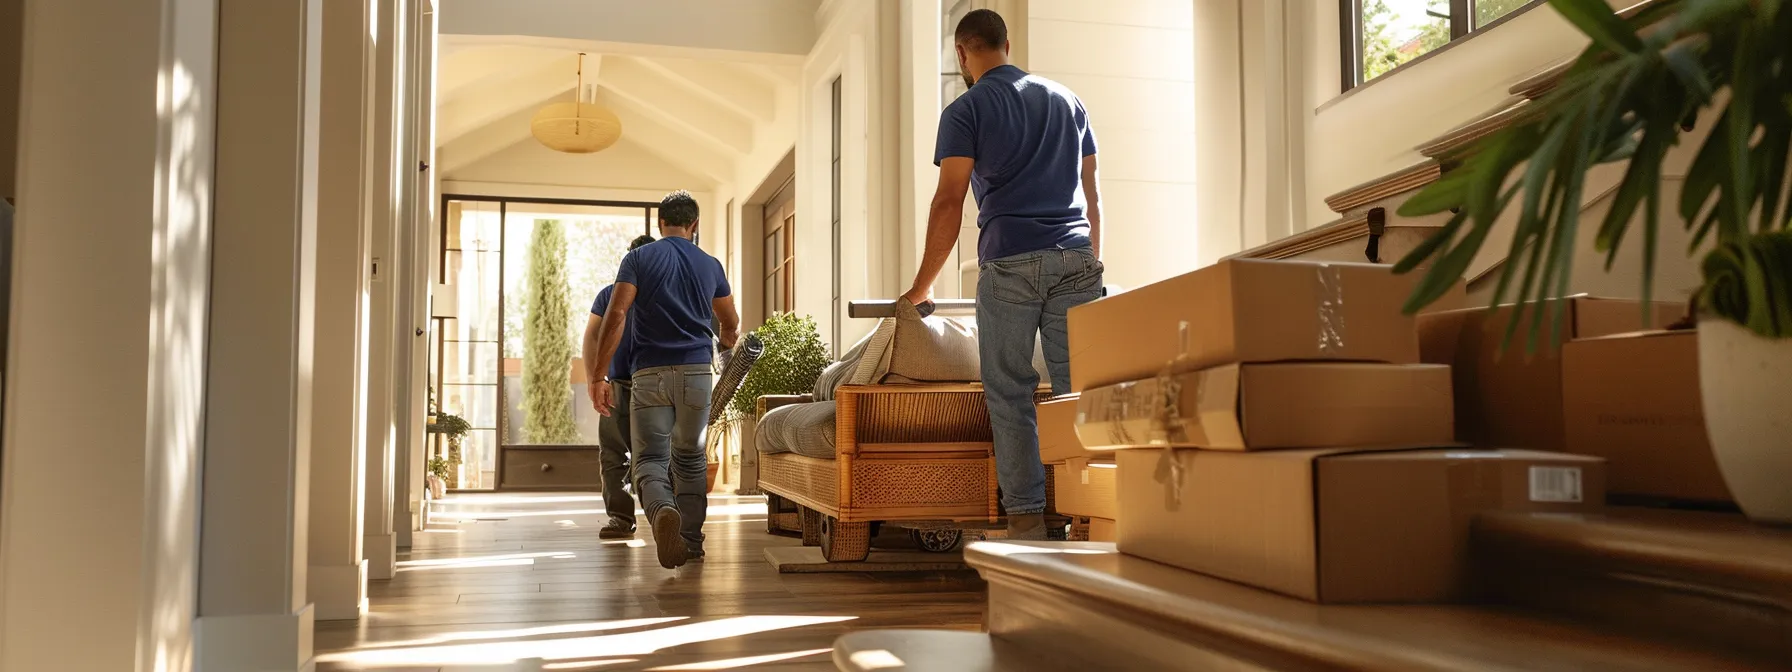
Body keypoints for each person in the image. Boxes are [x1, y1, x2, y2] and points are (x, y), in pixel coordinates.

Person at [900, 8, 1105, 541]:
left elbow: (948, 204)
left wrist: (921, 287)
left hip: (1010, 263)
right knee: (1076, 391)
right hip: (1077, 258)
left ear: (962, 54)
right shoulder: (1068, 100)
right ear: (1007, 43)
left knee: (1012, 393)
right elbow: (1092, 195)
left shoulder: (966, 110)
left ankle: (1028, 520)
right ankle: (1089, 512)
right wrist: (1091, 265)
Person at [591, 191, 741, 568]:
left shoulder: (639, 258)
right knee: (690, 459)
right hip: (695, 375)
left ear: (660, 224)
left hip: (650, 374)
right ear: (694, 226)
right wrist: (725, 342)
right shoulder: (710, 264)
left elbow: (618, 313)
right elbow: (730, 320)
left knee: (649, 462)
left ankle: (661, 514)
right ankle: (690, 540)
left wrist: (598, 374)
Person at [584, 234, 657, 540]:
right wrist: (595, 380)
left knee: (656, 455)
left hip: (655, 385)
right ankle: (620, 518)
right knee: (614, 455)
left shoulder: (663, 297)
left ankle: (665, 517)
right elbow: (591, 336)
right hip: (618, 385)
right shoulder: (608, 295)